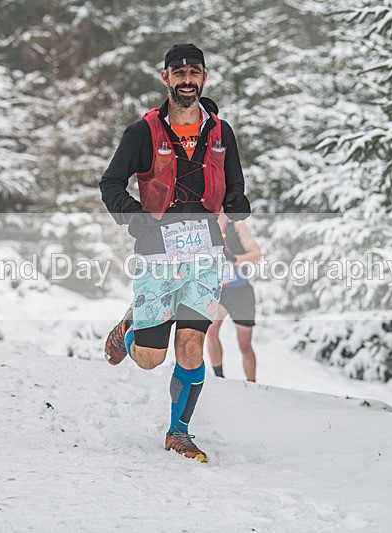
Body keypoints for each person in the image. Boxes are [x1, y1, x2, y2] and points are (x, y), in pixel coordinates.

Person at [99, 44, 251, 462]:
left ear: (204, 78)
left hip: (206, 254)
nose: (187, 80)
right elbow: (110, 184)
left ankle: (178, 433)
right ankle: (131, 326)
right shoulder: (143, 132)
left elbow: (234, 184)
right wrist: (136, 218)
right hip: (158, 249)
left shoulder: (221, 132)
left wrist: (237, 202)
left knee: (190, 347)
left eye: (194, 72)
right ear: (165, 78)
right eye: (179, 73)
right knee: (149, 358)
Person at [206, 212, 261, 382]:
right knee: (211, 331)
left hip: (240, 293)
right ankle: (219, 377)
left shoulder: (237, 226)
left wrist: (235, 258)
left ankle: (252, 383)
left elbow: (256, 254)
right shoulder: (204, 227)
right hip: (219, 291)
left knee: (244, 345)